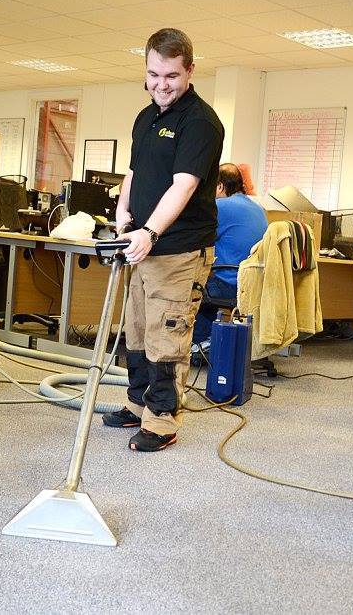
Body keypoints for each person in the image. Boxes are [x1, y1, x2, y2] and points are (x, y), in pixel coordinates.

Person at [101, 28, 224, 452]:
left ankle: (162, 420)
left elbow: (184, 185)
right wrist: (123, 211)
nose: (161, 84)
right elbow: (134, 172)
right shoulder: (146, 116)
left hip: (179, 250)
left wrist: (151, 231)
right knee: (137, 331)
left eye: (171, 75)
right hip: (142, 246)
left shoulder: (200, 122)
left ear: (190, 71)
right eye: (154, 74)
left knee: (166, 336)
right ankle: (138, 404)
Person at [191, 162, 268, 351]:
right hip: (254, 284)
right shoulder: (259, 209)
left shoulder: (220, 206)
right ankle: (209, 342)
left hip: (229, 284)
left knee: (190, 287)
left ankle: (199, 344)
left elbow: (195, 236)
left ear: (219, 186)